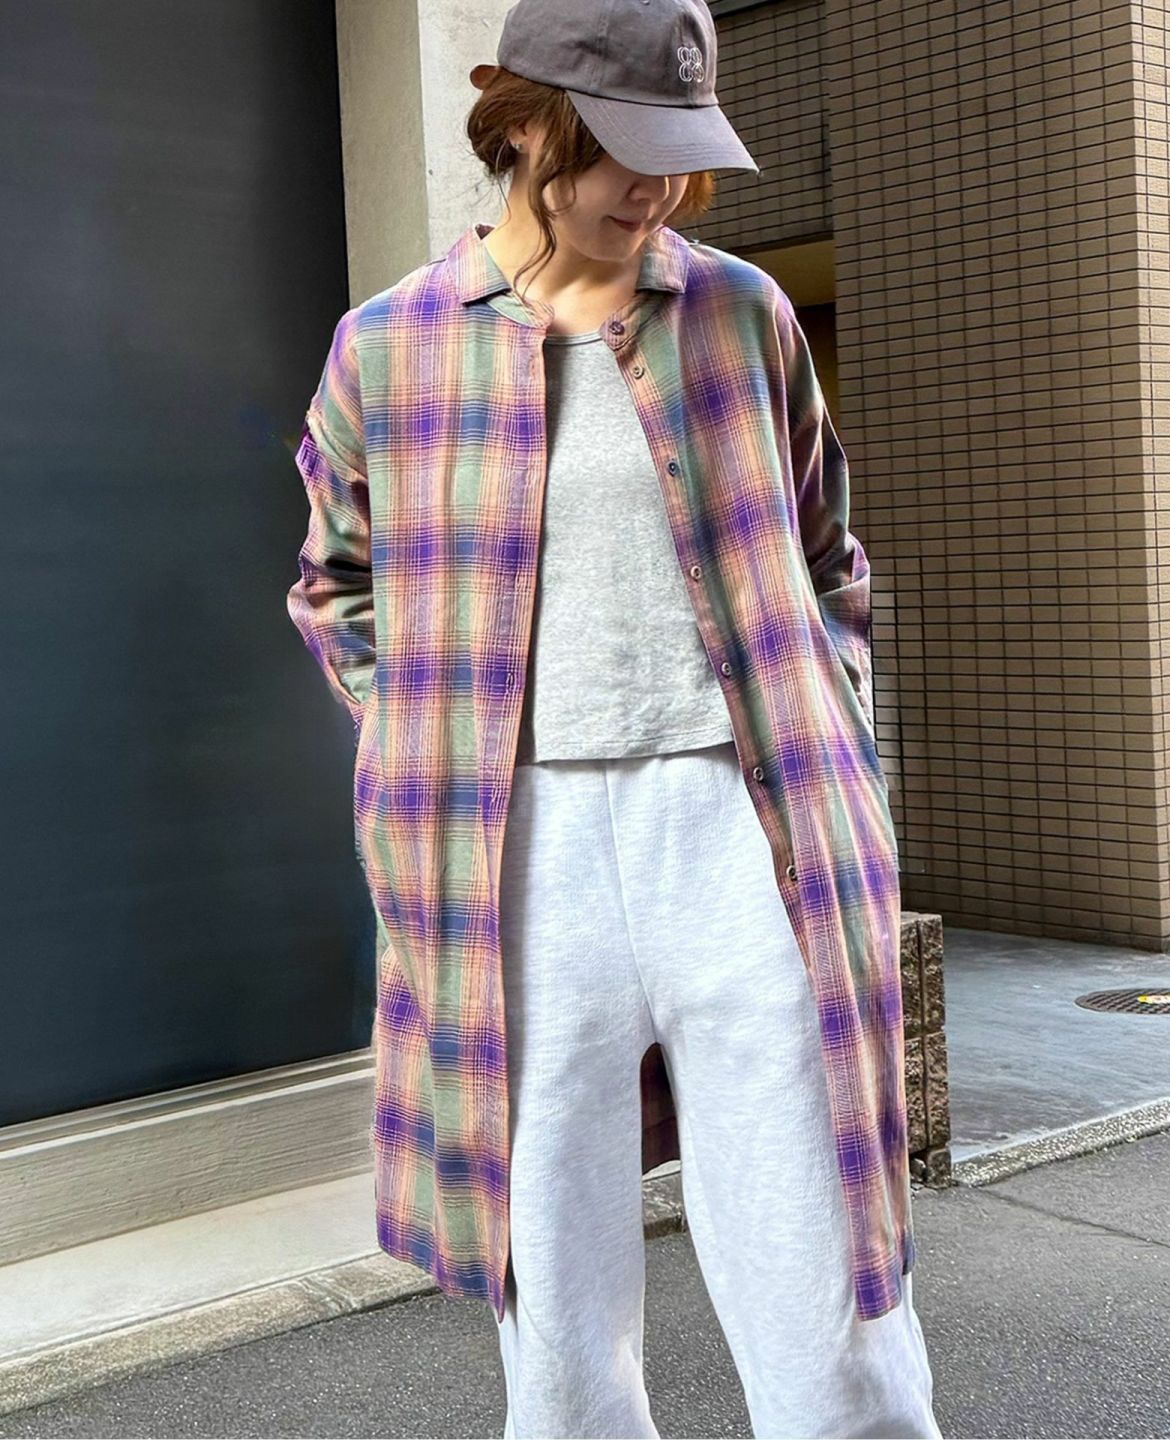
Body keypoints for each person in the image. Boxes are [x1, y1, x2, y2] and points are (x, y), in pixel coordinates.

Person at [287, 2, 942, 1436]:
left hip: (742, 823)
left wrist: (834, 715)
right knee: (557, 1277)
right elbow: (335, 584)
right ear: (525, 128)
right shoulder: (388, 349)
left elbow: (830, 556)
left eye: (681, 158)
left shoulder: (742, 316)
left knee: (818, 1243)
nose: (660, 192)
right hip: (518, 849)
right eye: (625, 155)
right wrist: (418, 733)